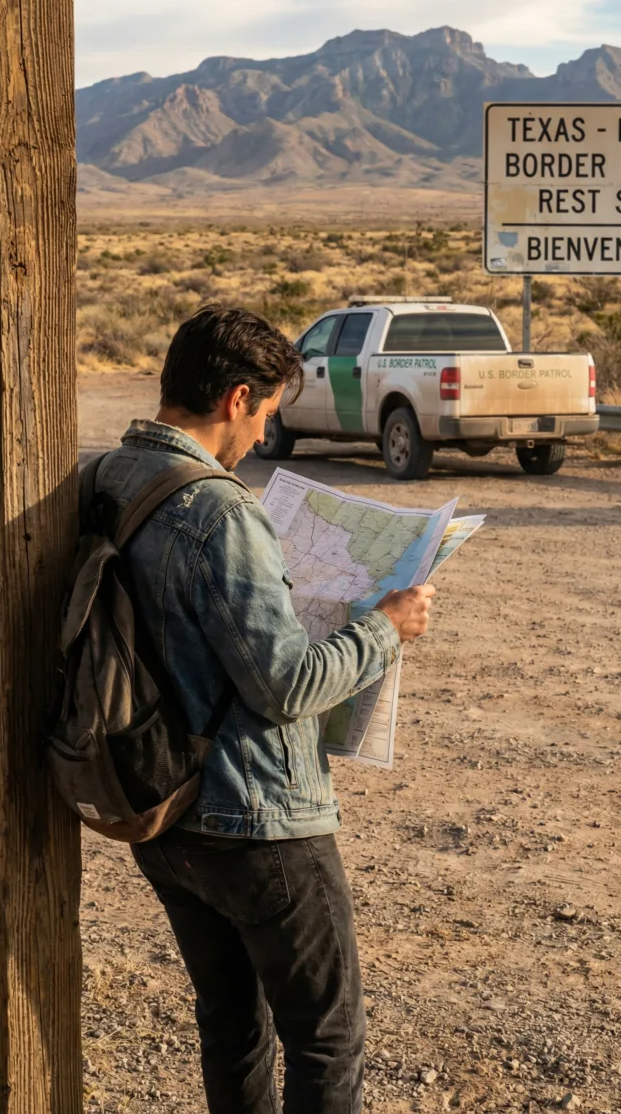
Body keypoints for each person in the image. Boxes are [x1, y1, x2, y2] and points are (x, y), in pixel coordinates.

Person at [94, 304, 435, 1114]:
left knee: (232, 1023)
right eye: (268, 415)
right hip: (260, 819)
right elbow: (284, 685)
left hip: (161, 810)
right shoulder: (218, 511)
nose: (259, 437)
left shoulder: (107, 478)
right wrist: (384, 632)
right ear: (238, 398)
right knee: (326, 1038)